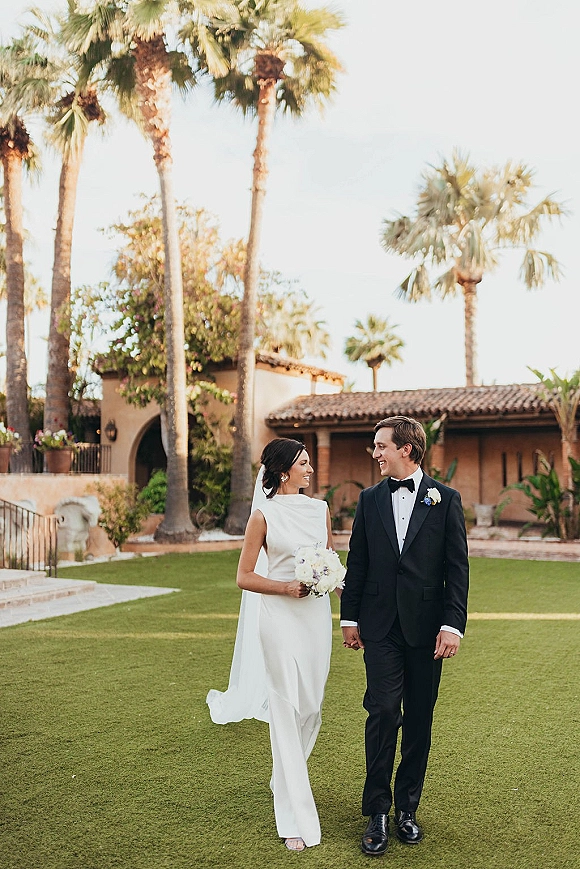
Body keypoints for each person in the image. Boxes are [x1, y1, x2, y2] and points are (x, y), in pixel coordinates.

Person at [341, 416, 469, 856]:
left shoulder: (445, 499)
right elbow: (357, 561)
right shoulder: (368, 499)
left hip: (428, 629)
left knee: (418, 717)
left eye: (380, 446)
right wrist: (349, 618)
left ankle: (406, 809)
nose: (374, 453)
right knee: (381, 711)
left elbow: (457, 569)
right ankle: (377, 809)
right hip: (379, 628)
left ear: (406, 450)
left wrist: (452, 625)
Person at [219, 438, 335, 852]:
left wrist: (333, 581)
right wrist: (285, 587)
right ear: (284, 471)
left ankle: (283, 775)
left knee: (312, 706)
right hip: (278, 618)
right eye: (304, 463)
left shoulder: (321, 510)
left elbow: (330, 559)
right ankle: (292, 814)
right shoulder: (263, 516)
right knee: (286, 707)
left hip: (315, 620)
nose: (311, 470)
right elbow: (245, 577)